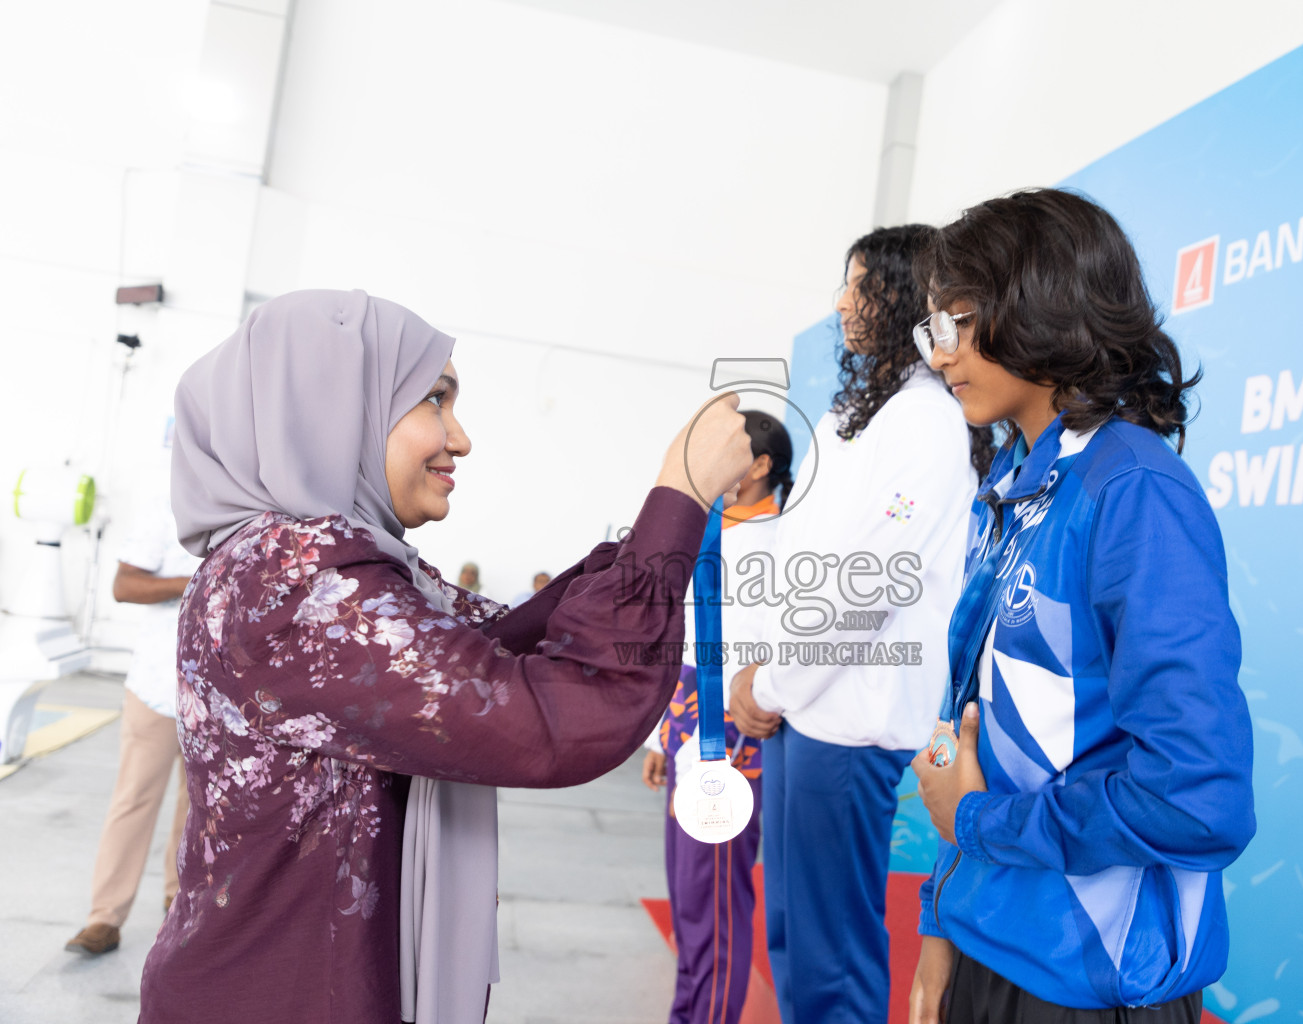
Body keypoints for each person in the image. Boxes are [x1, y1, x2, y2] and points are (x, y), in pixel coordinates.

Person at [139, 289, 753, 1024]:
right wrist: (679, 496)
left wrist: (661, 524)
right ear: (335, 405)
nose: (459, 439)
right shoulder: (293, 578)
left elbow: (506, 638)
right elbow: (551, 716)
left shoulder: (332, 568)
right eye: (434, 400)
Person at [906, 189, 1256, 1024]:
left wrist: (981, 824)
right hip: (989, 945)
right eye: (932, 328)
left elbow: (1195, 801)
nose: (940, 352)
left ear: (1041, 308)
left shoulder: (1132, 489)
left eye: (958, 319)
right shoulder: (1015, 488)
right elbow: (968, 739)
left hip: (1088, 988)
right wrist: (940, 929)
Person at [729, 226, 990, 1023]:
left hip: (846, 722)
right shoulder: (856, 417)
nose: (843, 302)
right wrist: (757, 673)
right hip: (801, 712)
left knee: (830, 960)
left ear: (905, 296)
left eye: (860, 285)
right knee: (793, 946)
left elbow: (870, 586)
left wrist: (769, 682)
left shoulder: (924, 421)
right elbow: (807, 567)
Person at [641, 410, 794, 1024]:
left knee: (717, 904)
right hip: (684, 730)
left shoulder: (784, 539)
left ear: (758, 467)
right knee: (689, 901)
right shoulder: (707, 531)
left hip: (731, 744)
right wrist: (660, 734)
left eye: (727, 447)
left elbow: (780, 649)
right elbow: (681, 641)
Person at [63, 495, 200, 956]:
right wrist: (200, 580)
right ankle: (104, 918)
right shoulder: (164, 507)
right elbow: (124, 586)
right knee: (135, 798)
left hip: (220, 694)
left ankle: (179, 899)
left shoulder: (255, 510)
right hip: (157, 687)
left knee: (201, 804)